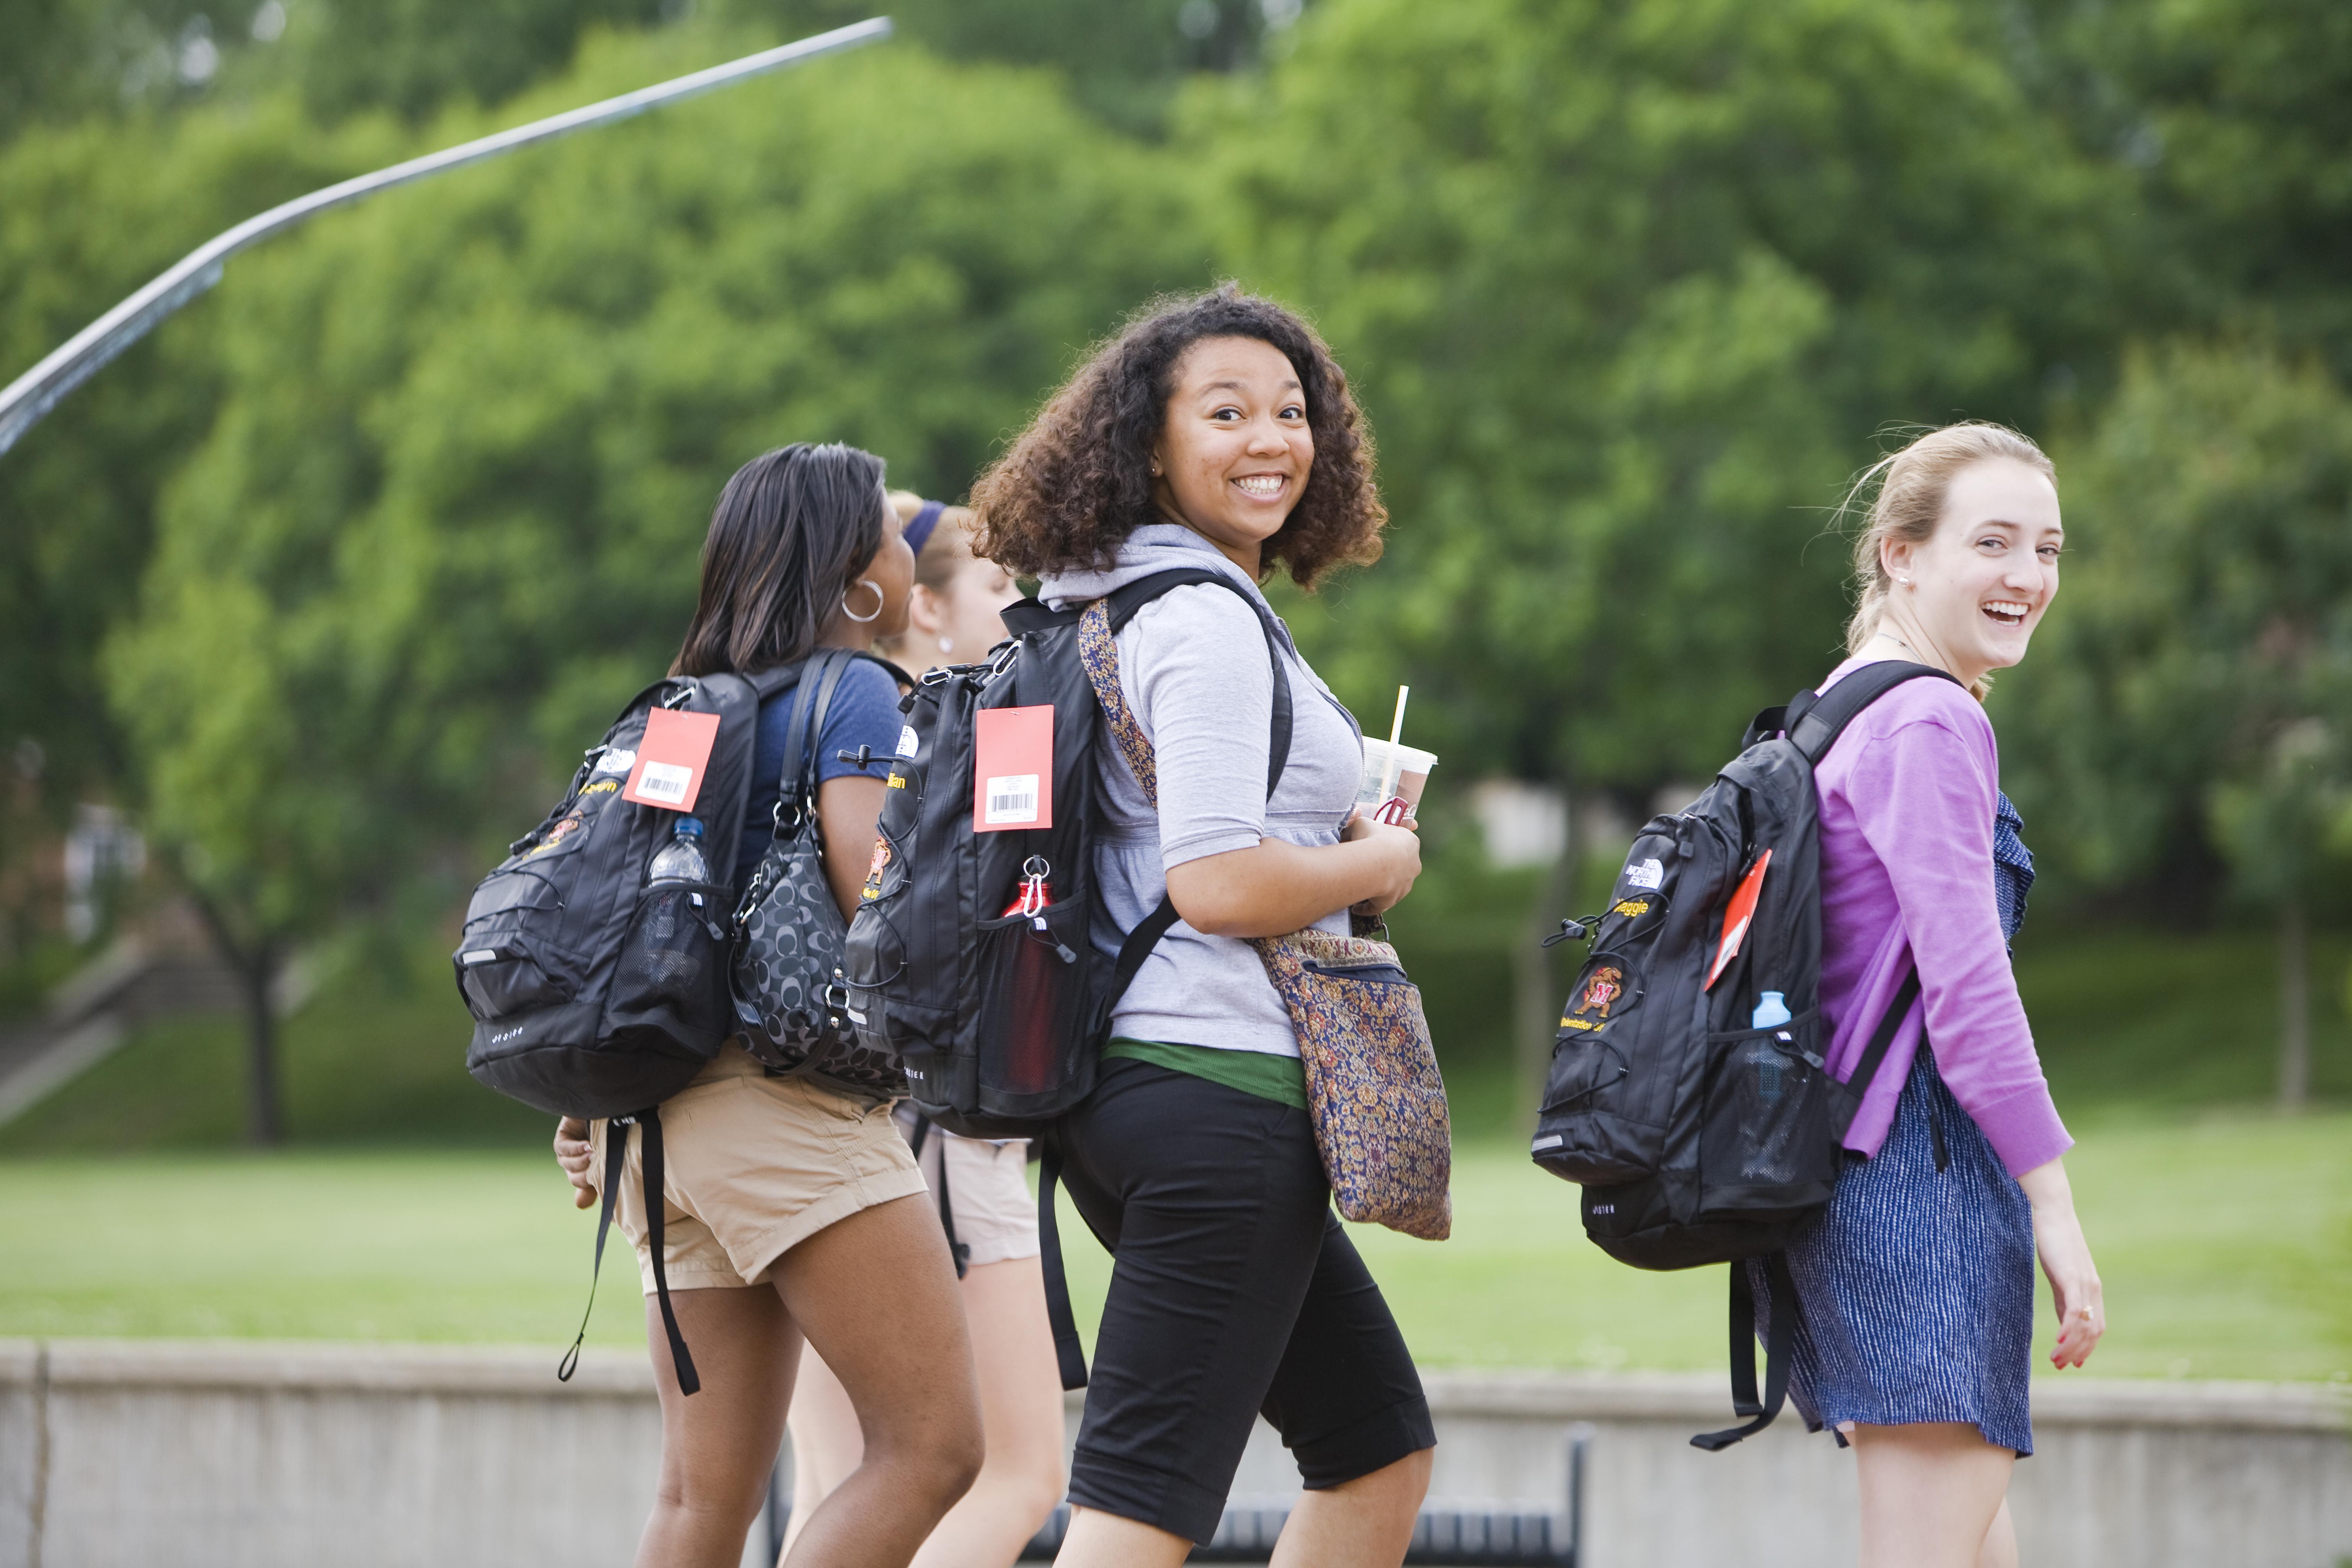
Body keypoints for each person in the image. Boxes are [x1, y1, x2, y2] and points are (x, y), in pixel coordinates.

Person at [968, 283, 1436, 1568]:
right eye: (1225, 412)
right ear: (1149, 443)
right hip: (1215, 1093)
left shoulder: (1100, 603)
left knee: (1378, 1451)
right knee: (1139, 1514)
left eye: (1294, 413)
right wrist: (1376, 859)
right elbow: (1217, 884)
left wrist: (1336, 863)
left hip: (1136, 1095)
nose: (1271, 439)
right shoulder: (1203, 624)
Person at [552, 443, 984, 1568]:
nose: (906, 550)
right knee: (932, 1448)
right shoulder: (854, 689)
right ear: (851, 572)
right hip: (785, 1114)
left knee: (701, 1500)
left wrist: (588, 1099)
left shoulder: (679, 710)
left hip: (653, 1126)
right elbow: (870, 894)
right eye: (890, 537)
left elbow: (612, 920)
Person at [1753, 422, 2106, 1568]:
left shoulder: (1847, 701)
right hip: (1919, 1182)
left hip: (1852, 1174)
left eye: (2048, 548)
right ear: (1902, 555)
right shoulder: (1930, 718)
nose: (2029, 577)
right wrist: (2051, 1203)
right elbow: (1968, 986)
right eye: (1993, 542)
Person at [779, 490, 1066, 1568]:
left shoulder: (801, 718)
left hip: (793, 1129)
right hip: (942, 1125)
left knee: (837, 1482)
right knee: (1017, 1469)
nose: (1022, 605)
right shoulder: (964, 726)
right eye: (998, 586)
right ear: (927, 610)